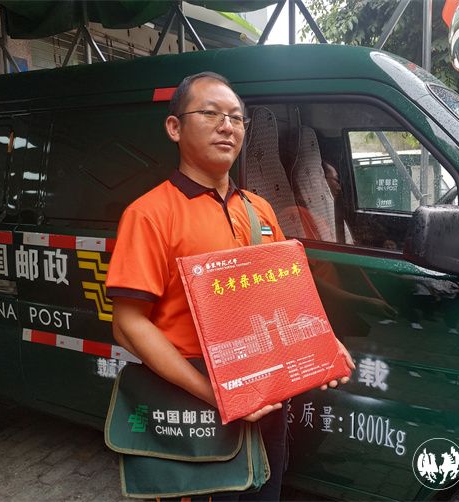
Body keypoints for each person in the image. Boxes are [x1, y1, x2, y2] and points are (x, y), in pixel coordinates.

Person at [105, 72, 354, 501]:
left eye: (237, 118)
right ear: (174, 127)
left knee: (265, 492)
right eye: (211, 113)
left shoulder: (259, 209)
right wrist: (217, 395)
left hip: (270, 400)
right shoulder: (149, 215)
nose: (227, 126)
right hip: (197, 402)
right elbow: (127, 324)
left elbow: (286, 295)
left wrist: (323, 345)